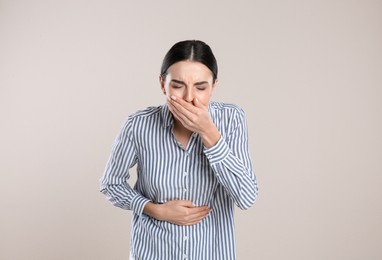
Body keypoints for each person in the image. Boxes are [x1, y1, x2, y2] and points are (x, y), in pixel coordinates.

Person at [100, 40, 258, 260]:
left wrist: (209, 134)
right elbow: (110, 183)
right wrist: (154, 209)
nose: (189, 97)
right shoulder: (138, 125)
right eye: (177, 85)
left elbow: (247, 197)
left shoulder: (232, 120)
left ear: (214, 87)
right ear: (162, 84)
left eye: (201, 87)